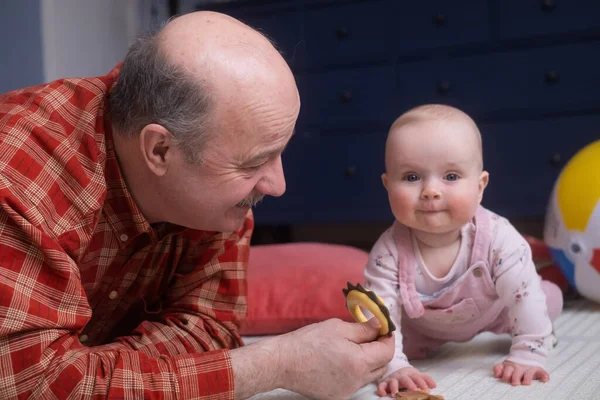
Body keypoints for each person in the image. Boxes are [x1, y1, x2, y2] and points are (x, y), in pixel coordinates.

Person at [0, 11, 394, 400]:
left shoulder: (215, 177)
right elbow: (30, 385)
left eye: (279, 153)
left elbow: (210, 325)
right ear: (160, 149)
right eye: (254, 162)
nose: (278, 185)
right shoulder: (19, 177)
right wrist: (276, 363)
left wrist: (89, 374)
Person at [364, 104, 564, 397]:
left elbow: (523, 295)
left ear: (480, 186)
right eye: (411, 177)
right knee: (378, 331)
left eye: (451, 177)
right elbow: (381, 312)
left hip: (497, 312)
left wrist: (527, 353)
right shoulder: (388, 251)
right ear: (387, 185)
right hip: (423, 329)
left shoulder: (499, 237)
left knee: (542, 300)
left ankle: (536, 329)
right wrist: (394, 366)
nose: (431, 190)